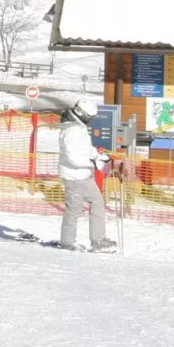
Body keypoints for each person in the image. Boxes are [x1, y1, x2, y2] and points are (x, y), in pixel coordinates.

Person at [58, 97, 115, 251]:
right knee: (74, 210)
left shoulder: (79, 127)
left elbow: (85, 149)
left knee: (97, 201)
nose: (90, 120)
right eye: (90, 117)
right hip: (73, 176)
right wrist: (92, 163)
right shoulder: (71, 130)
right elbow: (73, 158)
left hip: (84, 175)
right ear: (83, 114)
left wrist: (98, 156)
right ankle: (67, 242)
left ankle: (98, 239)